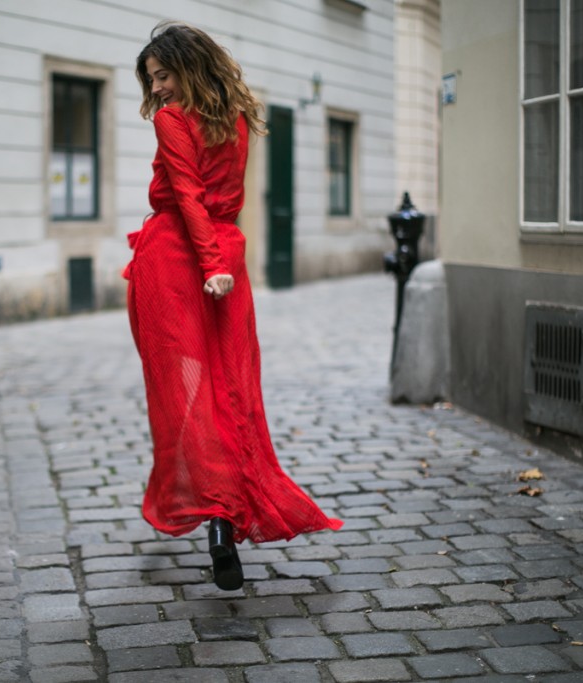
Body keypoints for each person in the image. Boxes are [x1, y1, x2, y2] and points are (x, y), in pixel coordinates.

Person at [124, 22, 342, 591]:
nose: (160, 89)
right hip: (227, 254)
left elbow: (188, 196)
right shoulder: (236, 118)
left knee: (187, 397)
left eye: (164, 75)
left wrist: (208, 264)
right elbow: (223, 200)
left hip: (180, 261)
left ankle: (218, 524)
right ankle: (222, 521)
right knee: (229, 389)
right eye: (152, 80)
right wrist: (221, 261)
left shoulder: (174, 120)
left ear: (188, 67)